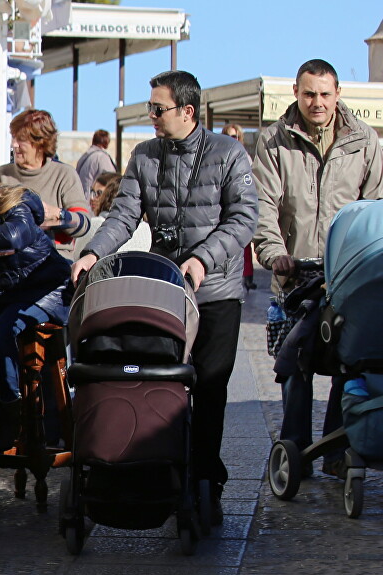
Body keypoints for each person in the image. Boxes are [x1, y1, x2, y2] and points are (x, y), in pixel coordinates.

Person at [71, 70, 259, 520]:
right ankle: (155, 471)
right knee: (158, 381)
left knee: (209, 389)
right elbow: (124, 215)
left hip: (215, 292)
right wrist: (92, 253)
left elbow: (244, 218)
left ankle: (206, 480)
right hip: (167, 293)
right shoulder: (144, 156)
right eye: (149, 108)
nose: (151, 116)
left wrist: (204, 259)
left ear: (187, 112)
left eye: (158, 109)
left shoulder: (229, 154)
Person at [252, 59, 383, 476]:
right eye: (309, 94)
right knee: (295, 368)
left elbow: (376, 205)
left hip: (349, 277)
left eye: (325, 94)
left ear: (338, 94)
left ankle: (338, 454)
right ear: (296, 92)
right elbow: (263, 207)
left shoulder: (364, 141)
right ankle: (296, 454)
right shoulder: (274, 140)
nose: (317, 102)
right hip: (295, 278)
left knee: (352, 363)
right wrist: (275, 254)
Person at [0, 175, 71, 448]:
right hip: (14, 291)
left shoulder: (16, 205)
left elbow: (15, 236)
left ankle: (12, 408)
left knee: (2, 331)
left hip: (49, 289)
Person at [0, 109, 92, 259]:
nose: (14, 144)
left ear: (40, 143)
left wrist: (57, 214)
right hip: (8, 265)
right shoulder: (0, 176)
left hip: (54, 263)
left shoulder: (64, 175)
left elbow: (83, 223)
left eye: (21, 139)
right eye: (13, 138)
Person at [220, 124, 258, 291]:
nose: (232, 139)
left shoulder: (245, 157)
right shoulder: (218, 155)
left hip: (241, 204)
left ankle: (248, 277)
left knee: (245, 246)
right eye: (229, 136)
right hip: (224, 207)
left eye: (235, 136)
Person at [75, 128, 117, 195]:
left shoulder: (85, 157)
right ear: (106, 141)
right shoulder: (101, 157)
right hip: (95, 200)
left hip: (83, 199)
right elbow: (110, 181)